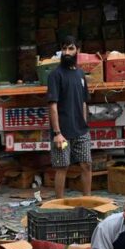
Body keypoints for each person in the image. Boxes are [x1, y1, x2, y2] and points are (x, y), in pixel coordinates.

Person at [47, 36, 92, 198]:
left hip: (81, 131)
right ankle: (59, 203)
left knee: (86, 165)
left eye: (71, 48)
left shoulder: (80, 74)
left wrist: (84, 124)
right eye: (64, 48)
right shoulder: (55, 75)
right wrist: (57, 133)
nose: (67, 52)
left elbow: (84, 102)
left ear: (77, 50)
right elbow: (52, 105)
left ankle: (87, 200)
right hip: (63, 133)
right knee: (62, 167)